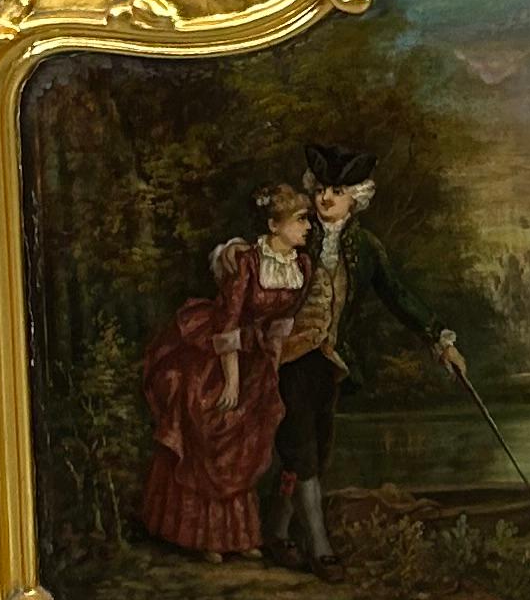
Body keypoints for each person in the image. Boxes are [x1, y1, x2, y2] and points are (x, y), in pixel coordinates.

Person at [265, 144, 462, 569]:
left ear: (358, 197)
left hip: (329, 359)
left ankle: (277, 534)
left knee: (316, 446)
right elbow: (256, 261)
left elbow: (397, 294)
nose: (326, 198)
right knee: (301, 448)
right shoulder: (297, 230)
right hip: (285, 355)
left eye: (338, 189)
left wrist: (439, 339)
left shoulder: (366, 248)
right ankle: (321, 548)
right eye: (322, 188)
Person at [137, 181, 314, 558]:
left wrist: (271, 368)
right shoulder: (248, 263)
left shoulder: (302, 266)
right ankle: (204, 539)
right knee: (211, 429)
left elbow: (282, 324)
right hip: (216, 354)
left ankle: (239, 536)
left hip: (256, 357)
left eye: (307, 220)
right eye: (301, 220)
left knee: (245, 441)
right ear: (274, 225)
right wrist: (231, 380)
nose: (307, 227)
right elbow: (228, 322)